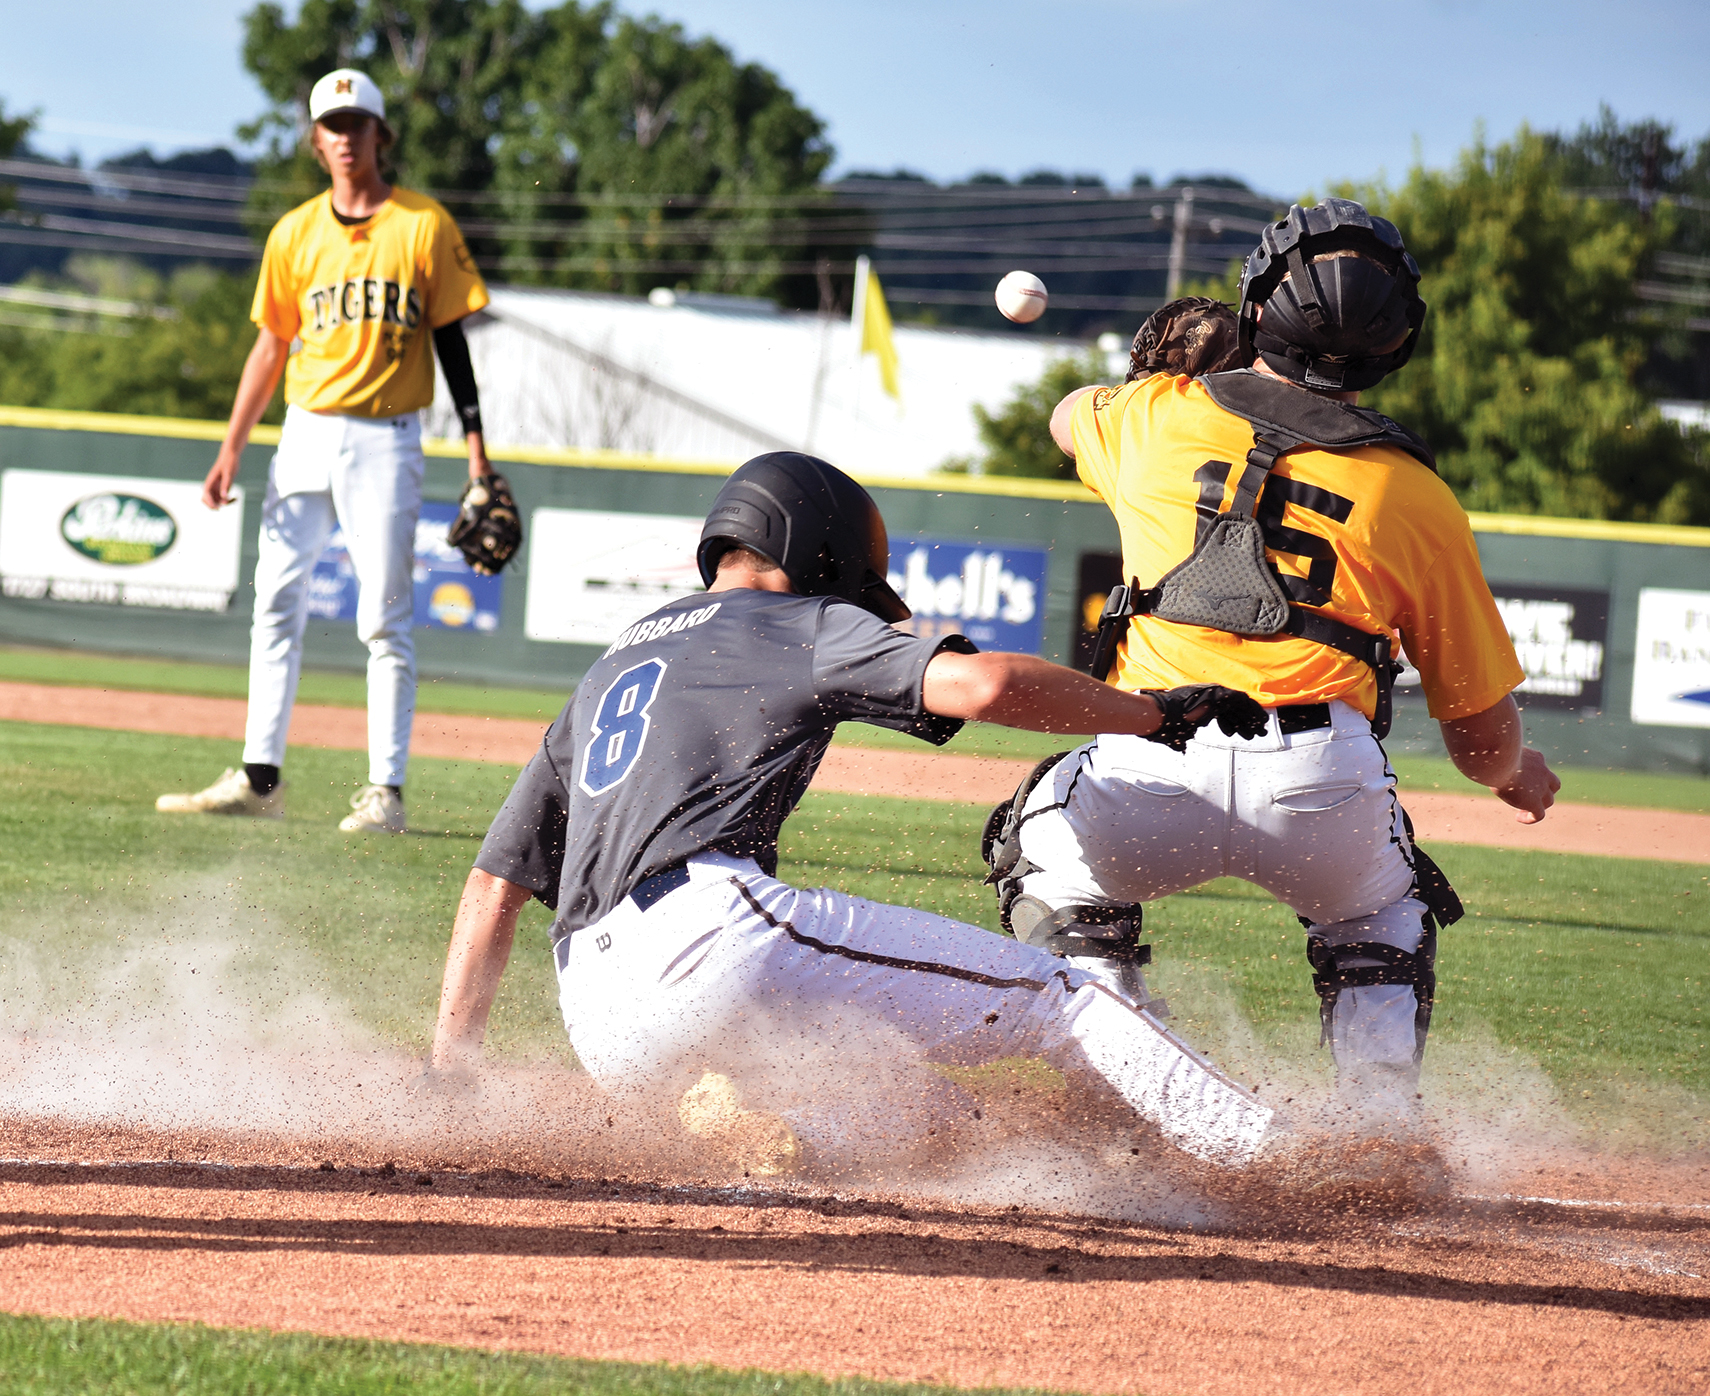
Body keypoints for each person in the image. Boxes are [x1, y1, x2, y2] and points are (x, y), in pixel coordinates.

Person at [426, 451, 1279, 1176]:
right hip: (704, 937)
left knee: (938, 1131)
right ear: (814, 550)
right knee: (1062, 997)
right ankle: (1273, 1160)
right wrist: (1154, 712)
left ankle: (772, 1132)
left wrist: (450, 1077)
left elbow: (492, 887)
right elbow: (984, 686)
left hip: (601, 1018)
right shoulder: (793, 616)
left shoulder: (613, 663)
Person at [988, 198, 1561, 1118]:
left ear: (1257, 306)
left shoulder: (1152, 415)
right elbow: (1478, 738)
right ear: (1397, 341)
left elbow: (1064, 419)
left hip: (1147, 768)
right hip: (1319, 782)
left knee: (1041, 847)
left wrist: (1165, 378)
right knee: (1381, 915)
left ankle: (1128, 1086)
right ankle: (1374, 1130)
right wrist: (1512, 775)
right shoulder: (1419, 498)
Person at [156, 69, 491, 833]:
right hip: (303, 430)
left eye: (358, 123)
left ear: (381, 136)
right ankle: (259, 776)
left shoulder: (423, 224)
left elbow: (451, 342)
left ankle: (386, 792)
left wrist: (477, 453)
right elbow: (269, 347)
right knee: (274, 603)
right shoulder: (295, 232)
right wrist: (230, 447)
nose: (345, 137)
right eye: (332, 126)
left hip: (387, 435)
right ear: (316, 142)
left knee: (383, 617)